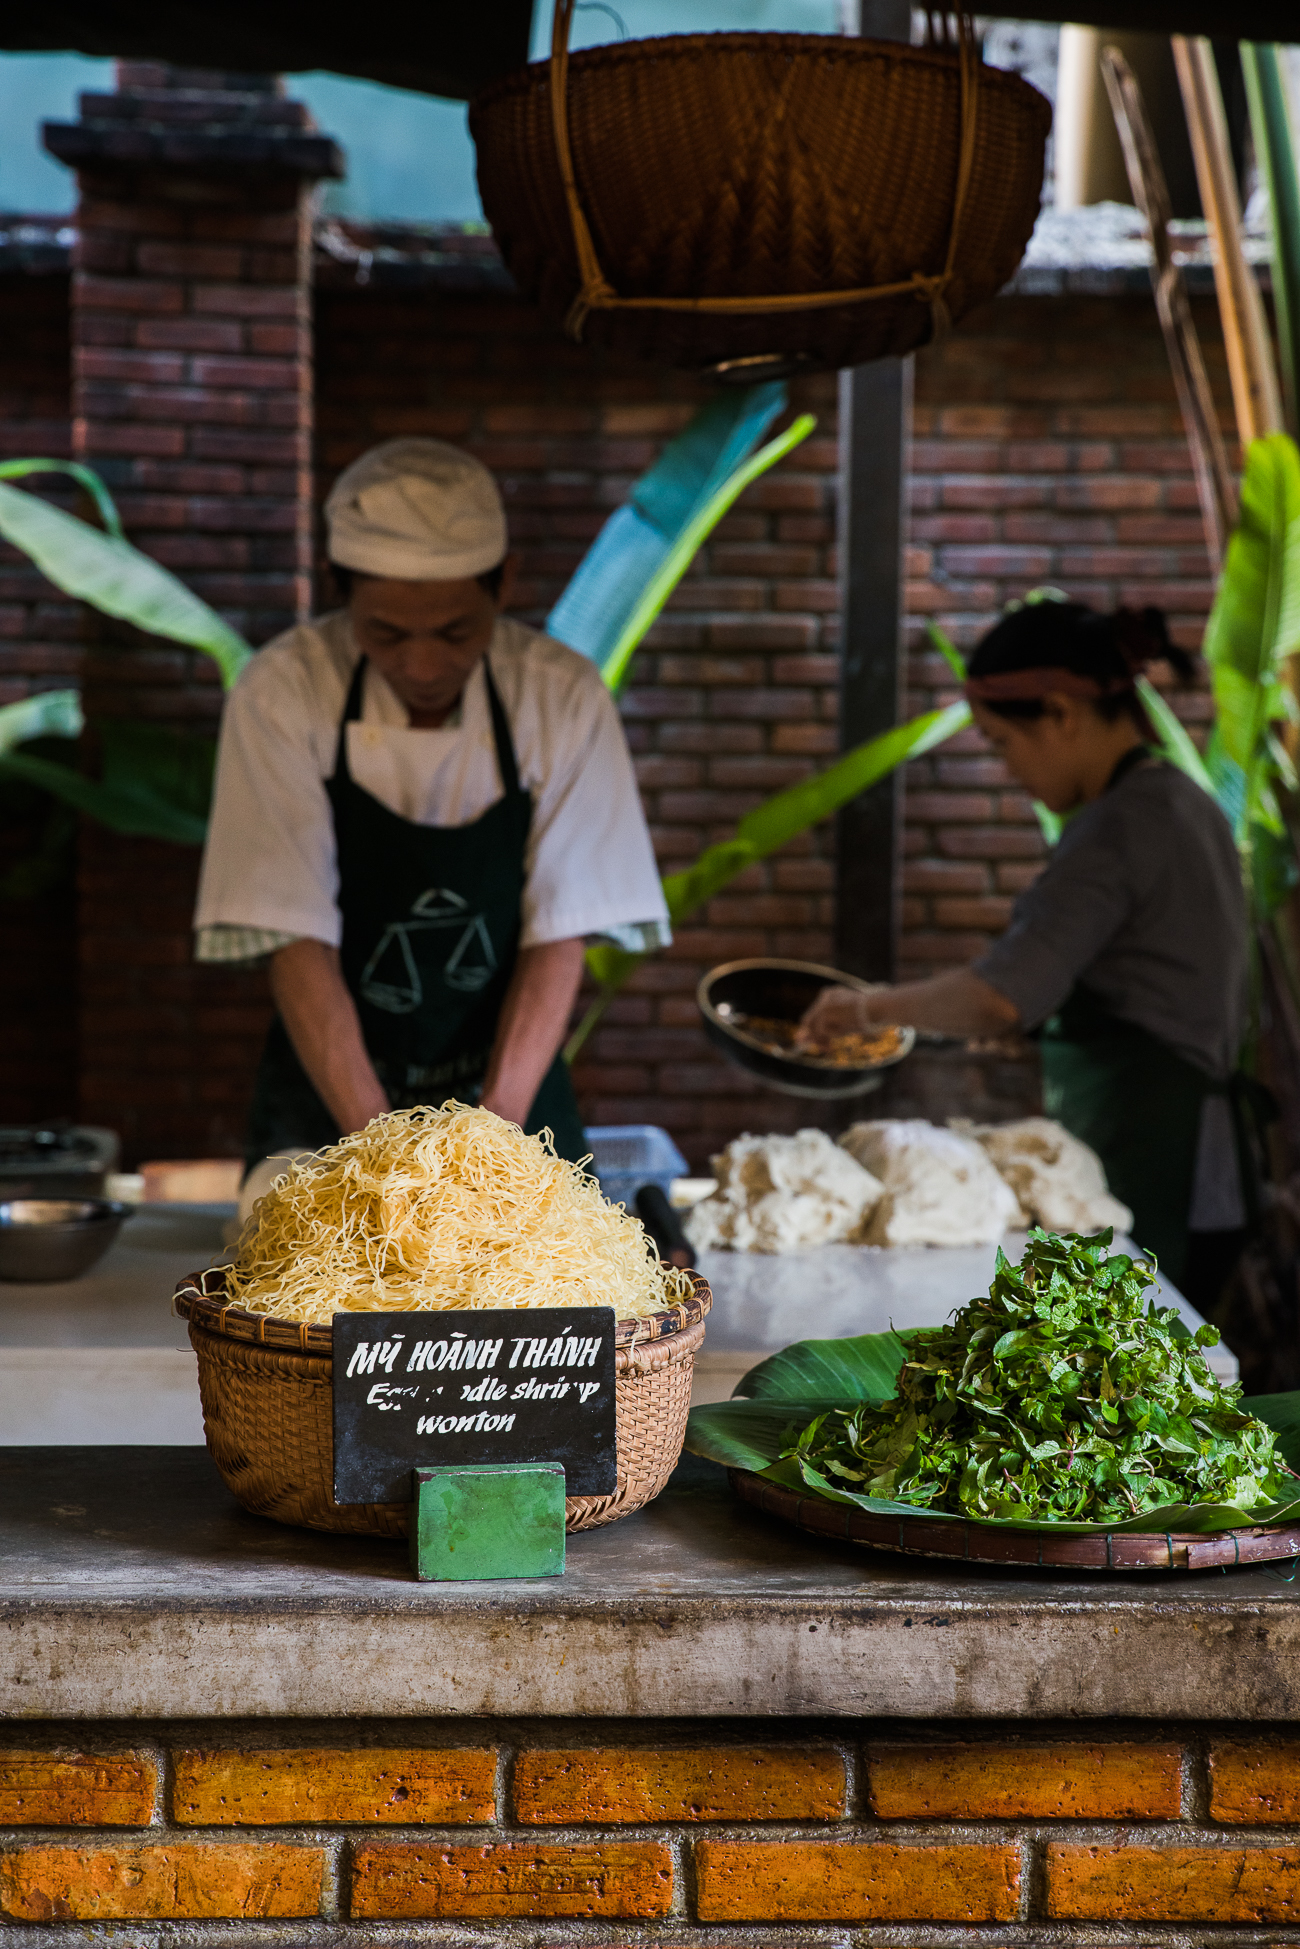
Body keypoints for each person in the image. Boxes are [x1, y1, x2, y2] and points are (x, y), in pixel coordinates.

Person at [195, 437, 668, 1196]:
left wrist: (493, 1145)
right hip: (328, 1097)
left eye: (453, 632)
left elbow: (563, 929)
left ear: (504, 583)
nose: (420, 665)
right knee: (309, 1271)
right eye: (384, 632)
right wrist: (381, 1156)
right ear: (339, 588)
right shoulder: (284, 690)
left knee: (535, 1281)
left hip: (511, 1089)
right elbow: (293, 932)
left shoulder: (559, 697)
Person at [799, 595, 1252, 1301]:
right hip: (1210, 1163)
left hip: (1163, 1157)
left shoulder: (1120, 825)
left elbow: (999, 995)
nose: (1009, 772)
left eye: (1002, 743)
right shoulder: (1184, 801)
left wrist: (865, 1009)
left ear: (1061, 714)